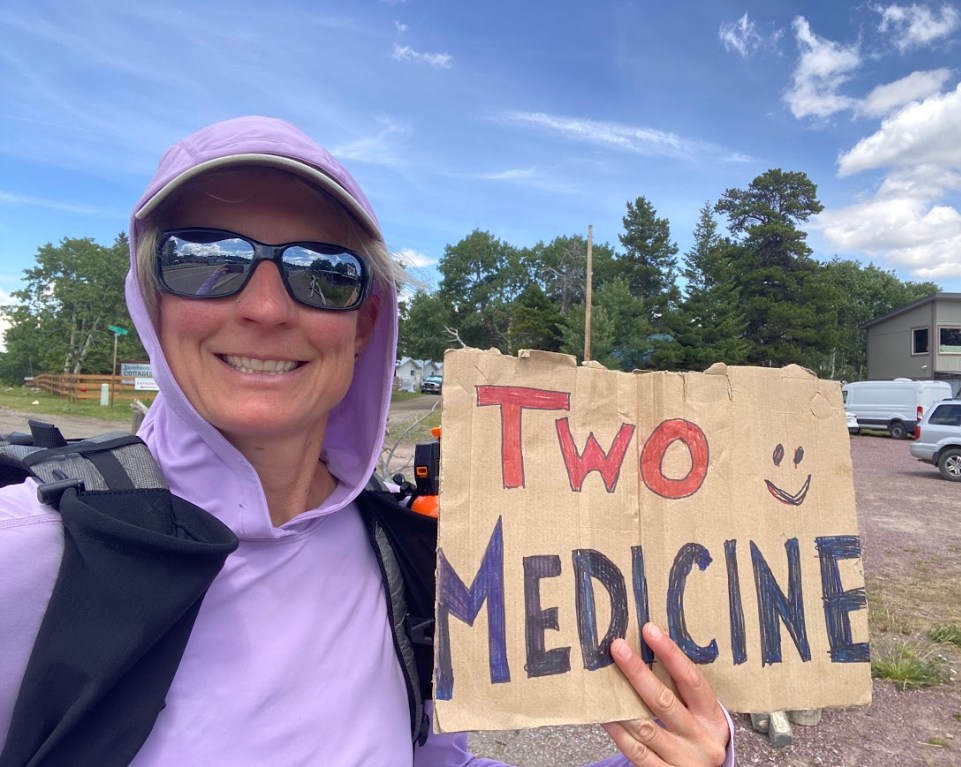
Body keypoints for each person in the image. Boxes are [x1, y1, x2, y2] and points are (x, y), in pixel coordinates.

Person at [0, 116, 734, 766]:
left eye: (323, 273)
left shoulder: (398, 559)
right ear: (151, 301)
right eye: (205, 258)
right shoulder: (35, 552)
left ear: (364, 324)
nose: (265, 308)